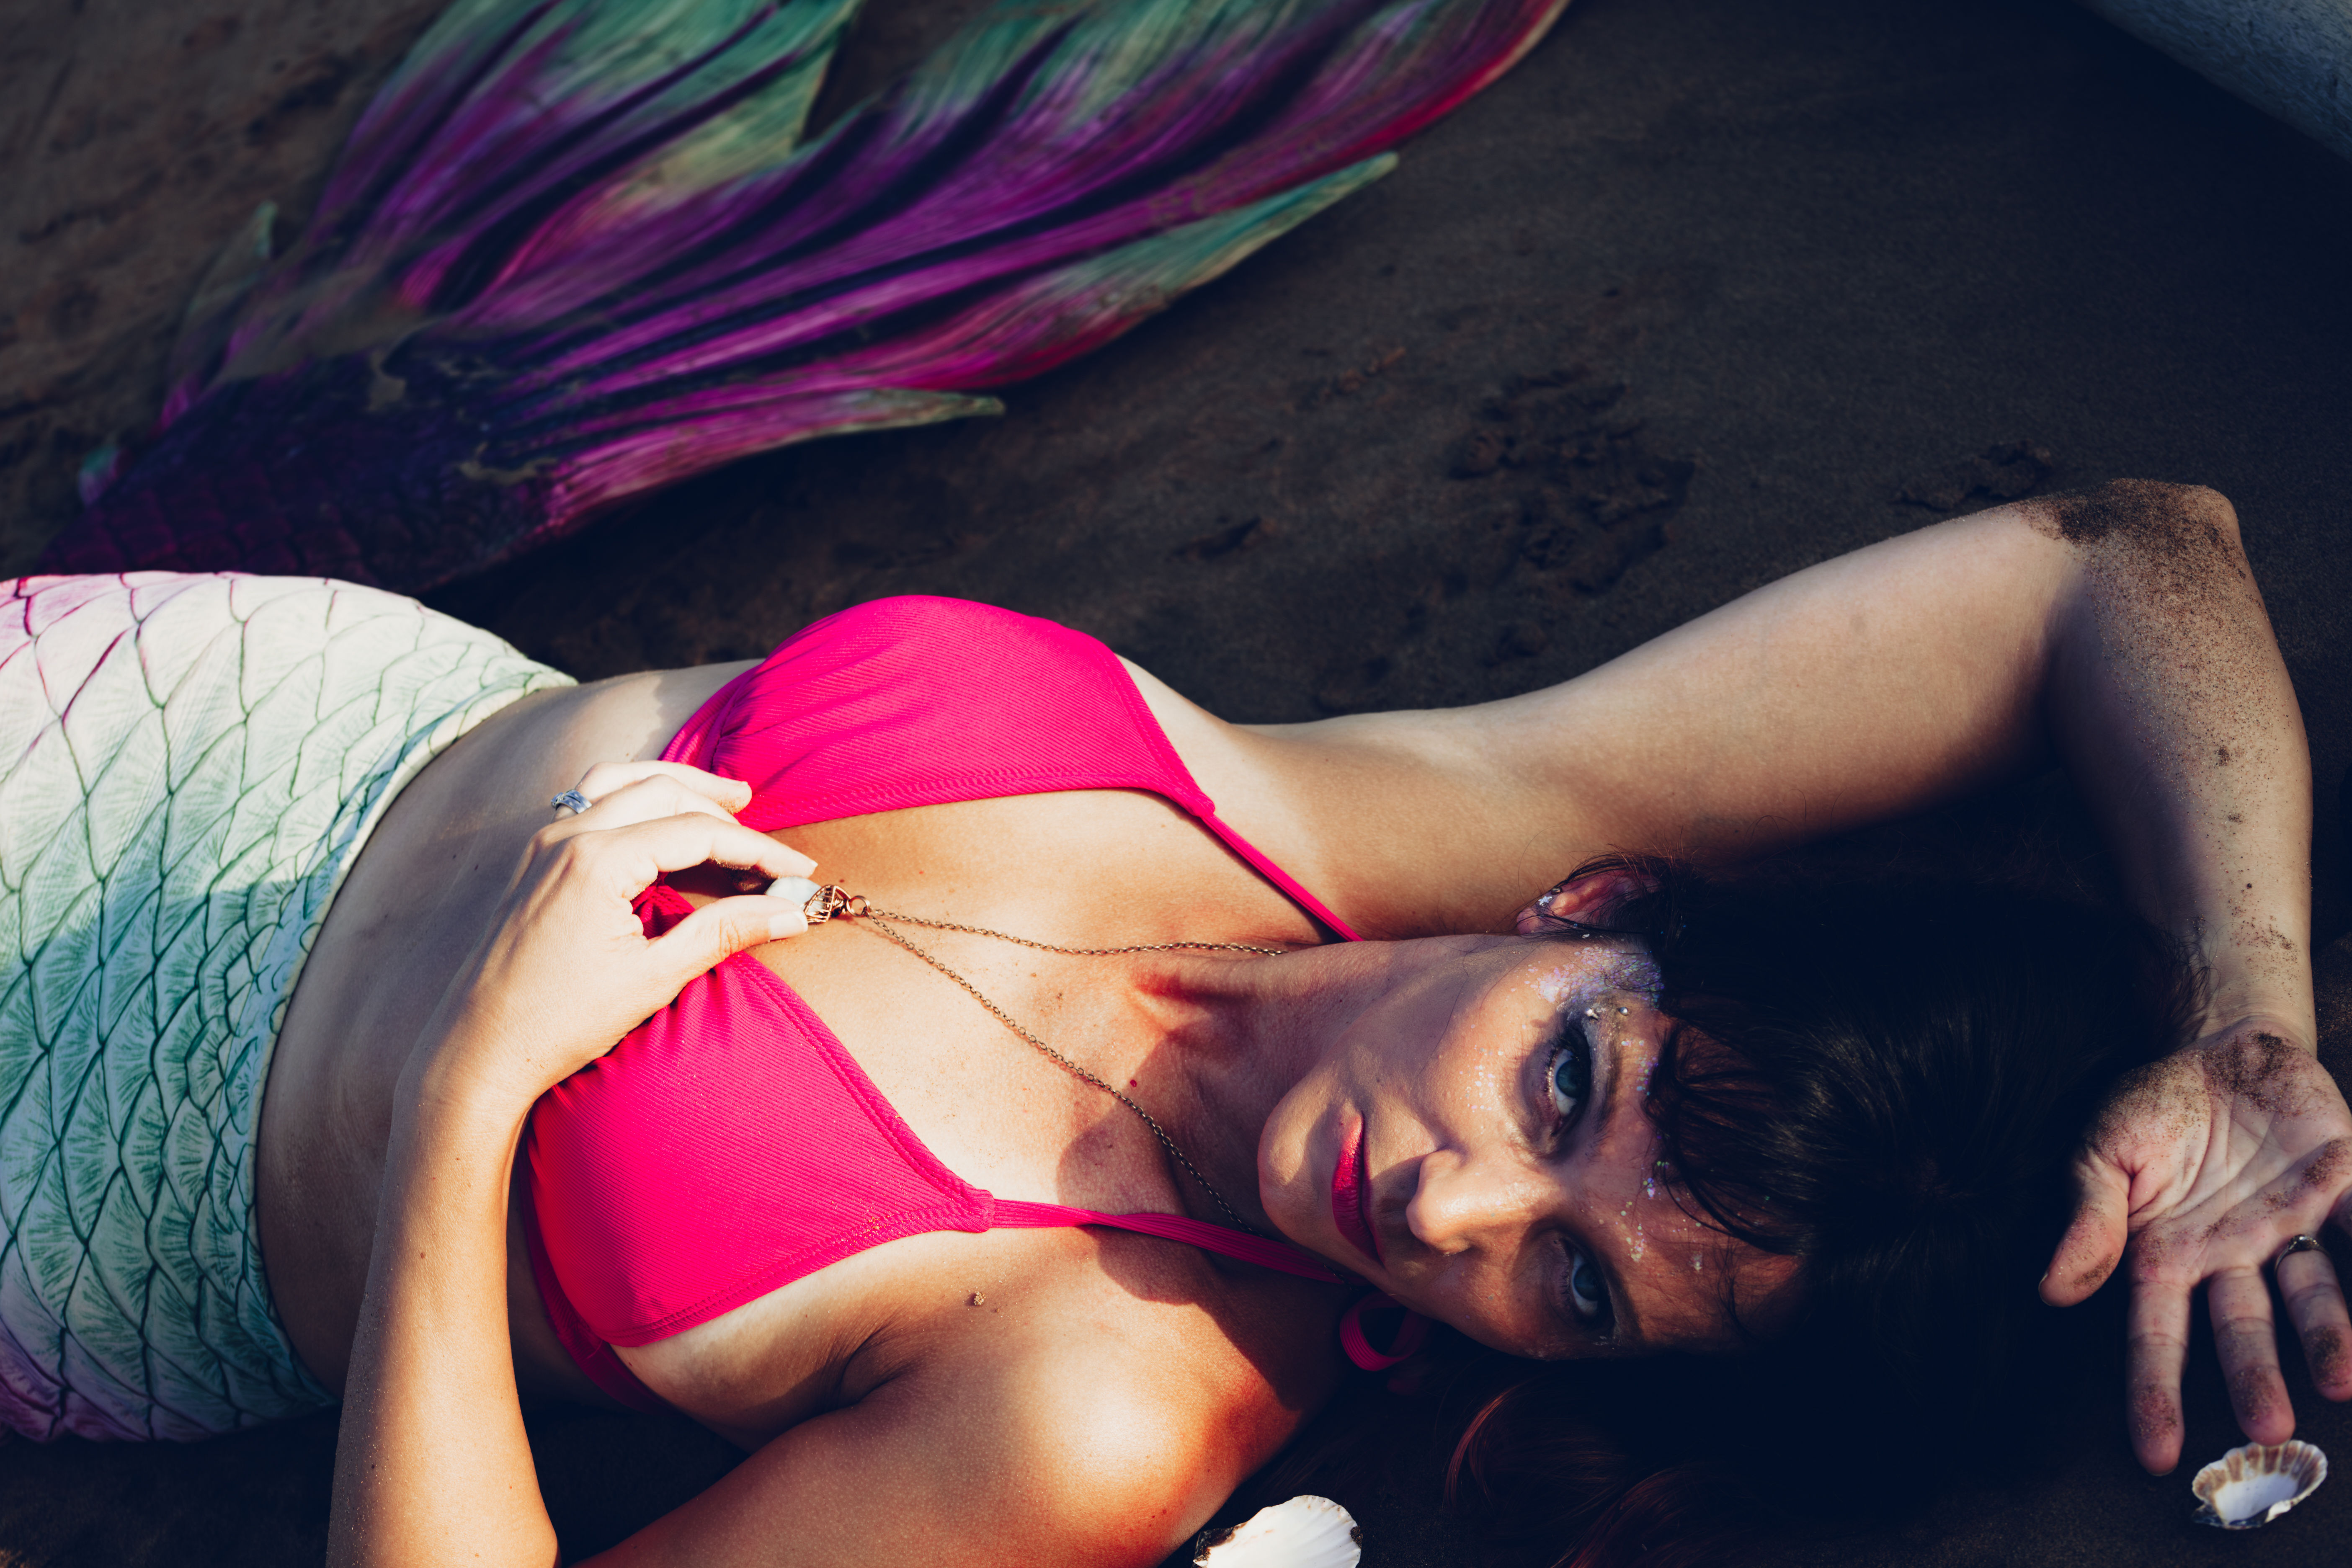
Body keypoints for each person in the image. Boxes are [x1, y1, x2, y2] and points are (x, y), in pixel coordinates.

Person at [0, 473, 2331, 1565]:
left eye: (1578, 1283)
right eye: (1567, 1082)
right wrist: (2246, 1017)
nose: (1450, 1202)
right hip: (233, 713)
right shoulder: (1392, 806)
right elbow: (2132, 565)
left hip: (90, 1177)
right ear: (1602, 907)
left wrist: (465, 1098)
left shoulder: (1094, 1415)